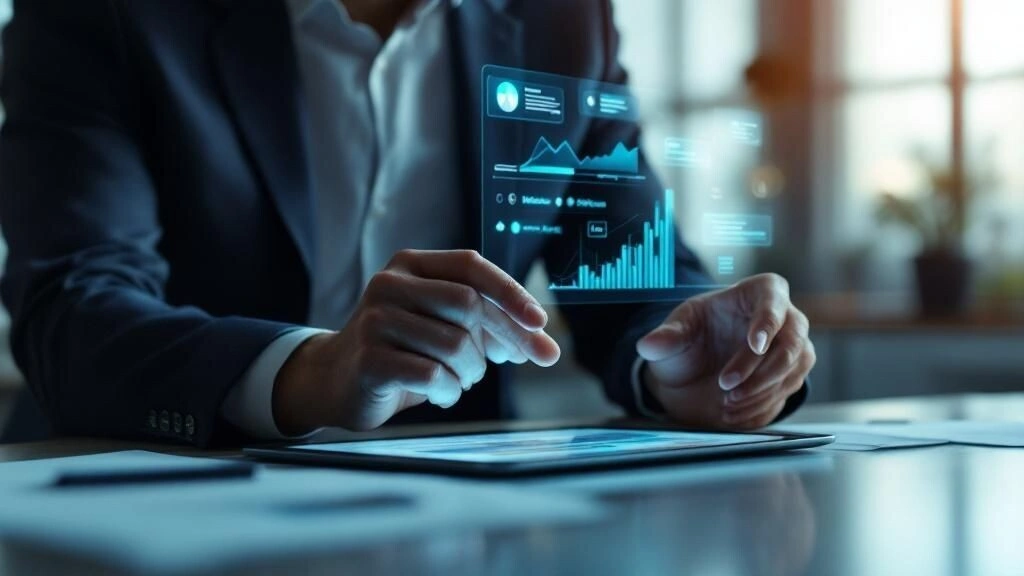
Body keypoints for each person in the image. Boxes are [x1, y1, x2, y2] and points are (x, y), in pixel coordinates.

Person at [0, 0, 814, 446]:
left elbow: (631, 279)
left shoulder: (563, 21)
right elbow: (73, 309)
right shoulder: (100, 14)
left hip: (458, 518)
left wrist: (697, 363)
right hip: (139, 500)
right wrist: (311, 373)